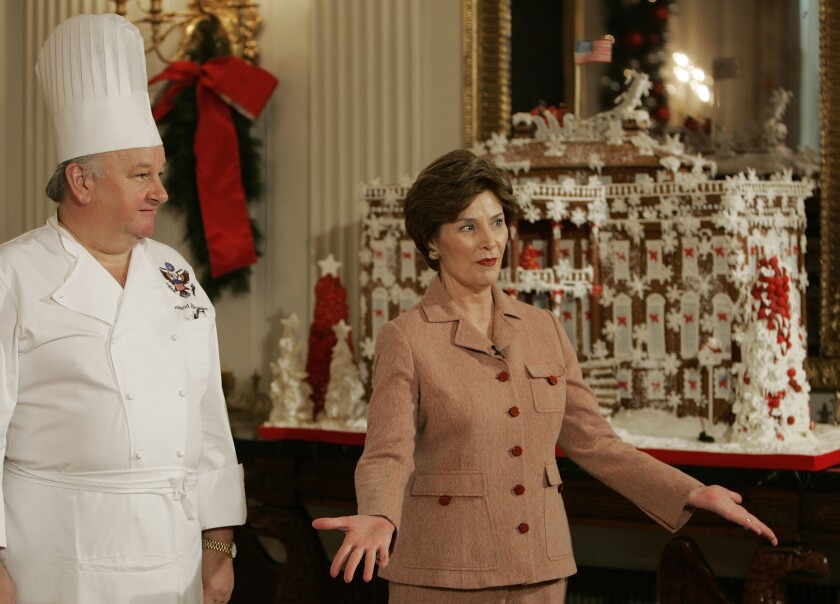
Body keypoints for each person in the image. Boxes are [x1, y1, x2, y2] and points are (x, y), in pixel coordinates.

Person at [313, 149, 777, 602]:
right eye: (467, 227)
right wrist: (378, 514)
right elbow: (387, 454)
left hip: (540, 569)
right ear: (432, 242)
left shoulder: (544, 328)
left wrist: (693, 492)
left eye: (496, 223)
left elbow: (598, 444)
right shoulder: (407, 337)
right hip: (444, 571)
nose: (489, 241)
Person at [0, 14, 245, 604]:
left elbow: (209, 416)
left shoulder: (173, 273)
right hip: (59, 557)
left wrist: (219, 543)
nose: (160, 191)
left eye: (158, 173)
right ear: (81, 181)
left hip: (175, 555)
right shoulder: (13, 275)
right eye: (142, 175)